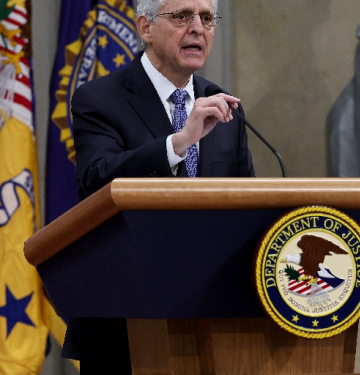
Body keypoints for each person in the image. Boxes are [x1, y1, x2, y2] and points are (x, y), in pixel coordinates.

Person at [62, 0, 253, 372]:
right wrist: (178, 142)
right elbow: (97, 179)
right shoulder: (100, 100)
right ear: (145, 28)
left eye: (207, 18)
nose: (197, 28)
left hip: (217, 322)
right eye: (182, 16)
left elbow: (247, 203)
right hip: (128, 324)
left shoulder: (224, 105)